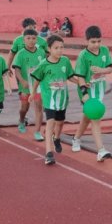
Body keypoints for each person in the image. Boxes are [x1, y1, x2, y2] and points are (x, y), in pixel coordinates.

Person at [30, 34, 78, 165]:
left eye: (62, 47)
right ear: (49, 49)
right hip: (49, 100)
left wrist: (81, 83)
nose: (60, 50)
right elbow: (37, 79)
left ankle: (57, 138)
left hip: (62, 100)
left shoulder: (65, 61)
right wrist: (33, 93)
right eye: (56, 48)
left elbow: (70, 76)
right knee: (50, 122)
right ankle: (48, 153)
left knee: (60, 122)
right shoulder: (43, 64)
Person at [71, 25, 112, 162]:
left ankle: (76, 139)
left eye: (98, 41)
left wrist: (101, 70)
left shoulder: (104, 50)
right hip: (87, 91)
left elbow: (110, 69)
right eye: (93, 42)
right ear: (87, 41)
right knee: (95, 118)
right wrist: (84, 92)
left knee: (87, 117)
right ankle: (101, 150)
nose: (96, 45)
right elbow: (80, 76)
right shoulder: (83, 56)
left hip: (100, 90)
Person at [11, 28, 46, 141]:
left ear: (37, 39)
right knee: (24, 108)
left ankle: (37, 132)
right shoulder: (20, 54)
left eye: (34, 38)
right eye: (28, 38)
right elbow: (16, 69)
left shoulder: (41, 52)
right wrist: (22, 81)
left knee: (38, 107)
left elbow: (44, 67)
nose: (31, 40)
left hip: (38, 86)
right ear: (24, 39)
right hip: (25, 87)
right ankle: (21, 120)